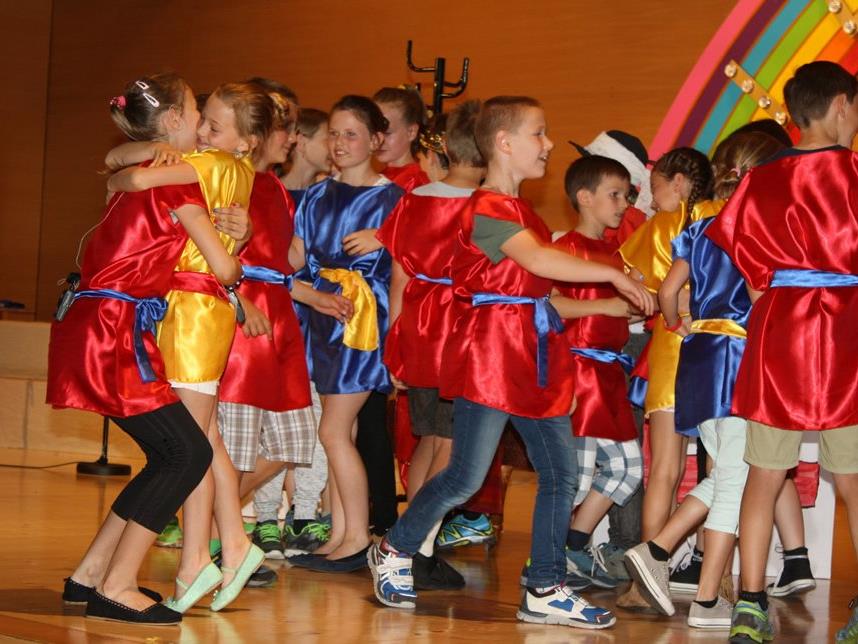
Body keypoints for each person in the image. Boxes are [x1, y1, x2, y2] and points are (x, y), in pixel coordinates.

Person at [367, 96, 654, 630]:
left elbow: (539, 293)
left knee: (561, 472)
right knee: (464, 475)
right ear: (504, 143)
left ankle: (545, 584)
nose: (547, 144)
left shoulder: (522, 213)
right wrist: (614, 277)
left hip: (530, 355)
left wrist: (604, 300)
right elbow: (538, 262)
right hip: (493, 356)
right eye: (539, 134)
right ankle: (395, 548)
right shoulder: (487, 208)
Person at [48, 73, 245, 625]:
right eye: (196, 114)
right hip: (114, 331)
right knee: (188, 454)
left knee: (170, 454)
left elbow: (120, 166)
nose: (204, 128)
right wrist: (238, 242)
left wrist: (137, 158)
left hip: (99, 324)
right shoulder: (180, 181)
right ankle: (117, 584)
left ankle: (89, 576)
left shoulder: (141, 173)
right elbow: (225, 268)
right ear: (177, 122)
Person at [105, 82, 274, 612]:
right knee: (205, 440)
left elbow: (126, 176)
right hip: (193, 308)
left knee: (191, 445)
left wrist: (152, 156)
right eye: (203, 122)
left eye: (213, 125)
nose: (202, 132)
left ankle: (200, 557)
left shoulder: (212, 164)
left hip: (194, 312)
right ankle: (227, 546)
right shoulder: (232, 167)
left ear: (241, 142)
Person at [705, 61, 858, 644]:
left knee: (762, 475)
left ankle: (748, 603)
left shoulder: (759, 180)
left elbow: (751, 278)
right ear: (842, 105)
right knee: (854, 477)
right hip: (847, 332)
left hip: (782, 332)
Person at [622, 130, 785, 629]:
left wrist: (677, 323)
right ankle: (663, 554)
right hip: (738, 353)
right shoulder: (757, 224)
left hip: (696, 353)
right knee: (734, 475)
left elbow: (670, 290)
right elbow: (762, 296)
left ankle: (707, 597)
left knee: (725, 473)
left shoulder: (696, 224)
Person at [287, 95, 403, 572]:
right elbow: (294, 256)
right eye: (333, 133)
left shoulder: (393, 199)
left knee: (333, 430)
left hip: (360, 322)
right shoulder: (315, 195)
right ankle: (339, 532)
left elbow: (415, 265)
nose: (339, 143)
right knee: (343, 431)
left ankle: (357, 537)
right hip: (323, 319)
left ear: (376, 140)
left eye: (351, 134)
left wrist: (389, 235)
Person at [375, 99, 485, 589]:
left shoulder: (414, 199)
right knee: (451, 445)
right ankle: (413, 546)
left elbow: (400, 274)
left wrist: (394, 340)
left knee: (429, 440)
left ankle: (413, 540)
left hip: (420, 329)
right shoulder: (487, 207)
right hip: (459, 332)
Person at [616, 146, 715, 607]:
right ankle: (718, 580)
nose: (651, 201)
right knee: (720, 469)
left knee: (666, 471)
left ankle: (643, 584)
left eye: (654, 188)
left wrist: (672, 309)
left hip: (673, 348)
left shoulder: (659, 229)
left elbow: (643, 294)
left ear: (677, 182)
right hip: (719, 350)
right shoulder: (725, 216)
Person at [549, 155, 643, 590]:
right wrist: (603, 305)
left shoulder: (613, 254)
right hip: (579, 372)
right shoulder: (563, 248)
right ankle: (549, 559)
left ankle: (572, 543)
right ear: (584, 198)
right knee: (578, 474)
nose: (623, 203)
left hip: (608, 374)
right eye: (615, 194)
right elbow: (548, 305)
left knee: (627, 468)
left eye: (626, 195)